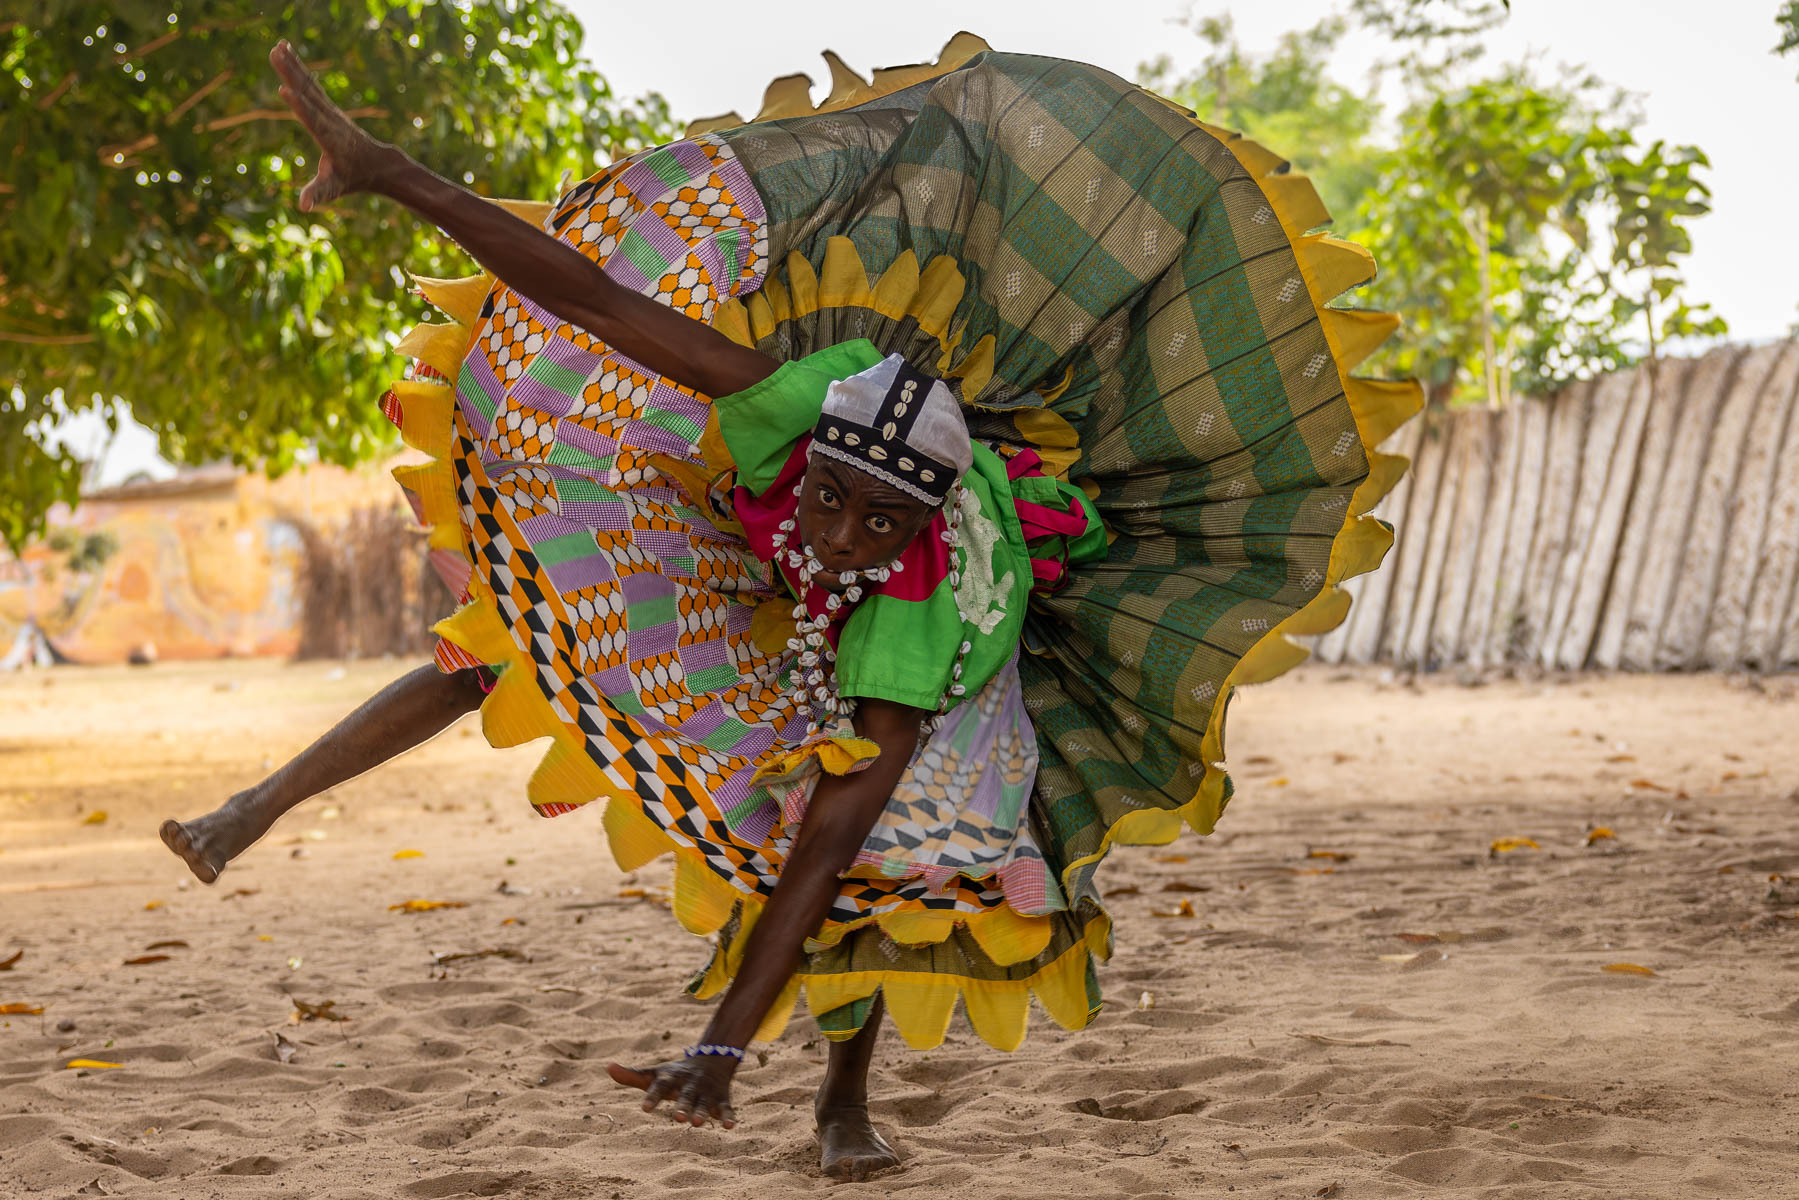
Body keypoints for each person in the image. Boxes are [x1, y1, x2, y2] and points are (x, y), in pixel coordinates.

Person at [162, 36, 1416, 1181]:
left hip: (939, 676)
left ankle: (840, 1103)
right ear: (807, 457)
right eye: (838, 504)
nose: (849, 536)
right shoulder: (799, 403)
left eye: (882, 523)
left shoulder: (911, 608)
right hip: (752, 558)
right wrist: (395, 176)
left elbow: (825, 841)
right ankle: (250, 807)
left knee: (877, 866)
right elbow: (595, 301)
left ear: (921, 523)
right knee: (522, 639)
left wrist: (716, 1050)